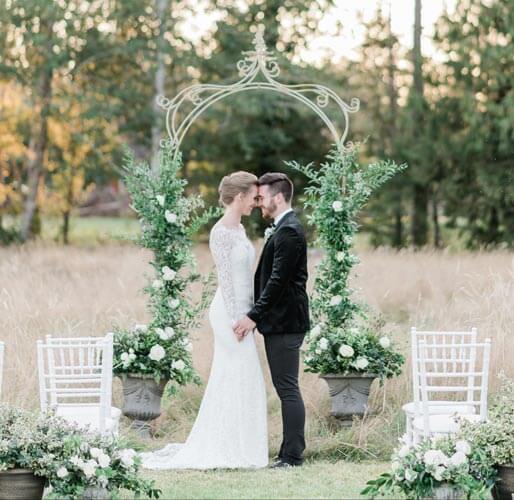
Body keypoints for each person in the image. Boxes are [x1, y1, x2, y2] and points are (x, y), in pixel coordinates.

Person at [141, 171, 268, 470]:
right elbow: (225, 278)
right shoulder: (221, 232)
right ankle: (228, 446)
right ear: (239, 197)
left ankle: (242, 445)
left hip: (244, 311)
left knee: (244, 375)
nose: (256, 202)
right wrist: (239, 319)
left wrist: (253, 314)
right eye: (253, 197)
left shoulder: (239, 229)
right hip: (229, 313)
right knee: (237, 373)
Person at [234, 172, 310, 468]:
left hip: (286, 323)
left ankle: (292, 456)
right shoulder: (284, 228)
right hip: (281, 322)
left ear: (278, 197)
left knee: (288, 388)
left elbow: (277, 282)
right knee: (286, 387)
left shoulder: (289, 231)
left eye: (262, 198)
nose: (259, 204)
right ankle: (288, 452)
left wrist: (254, 316)